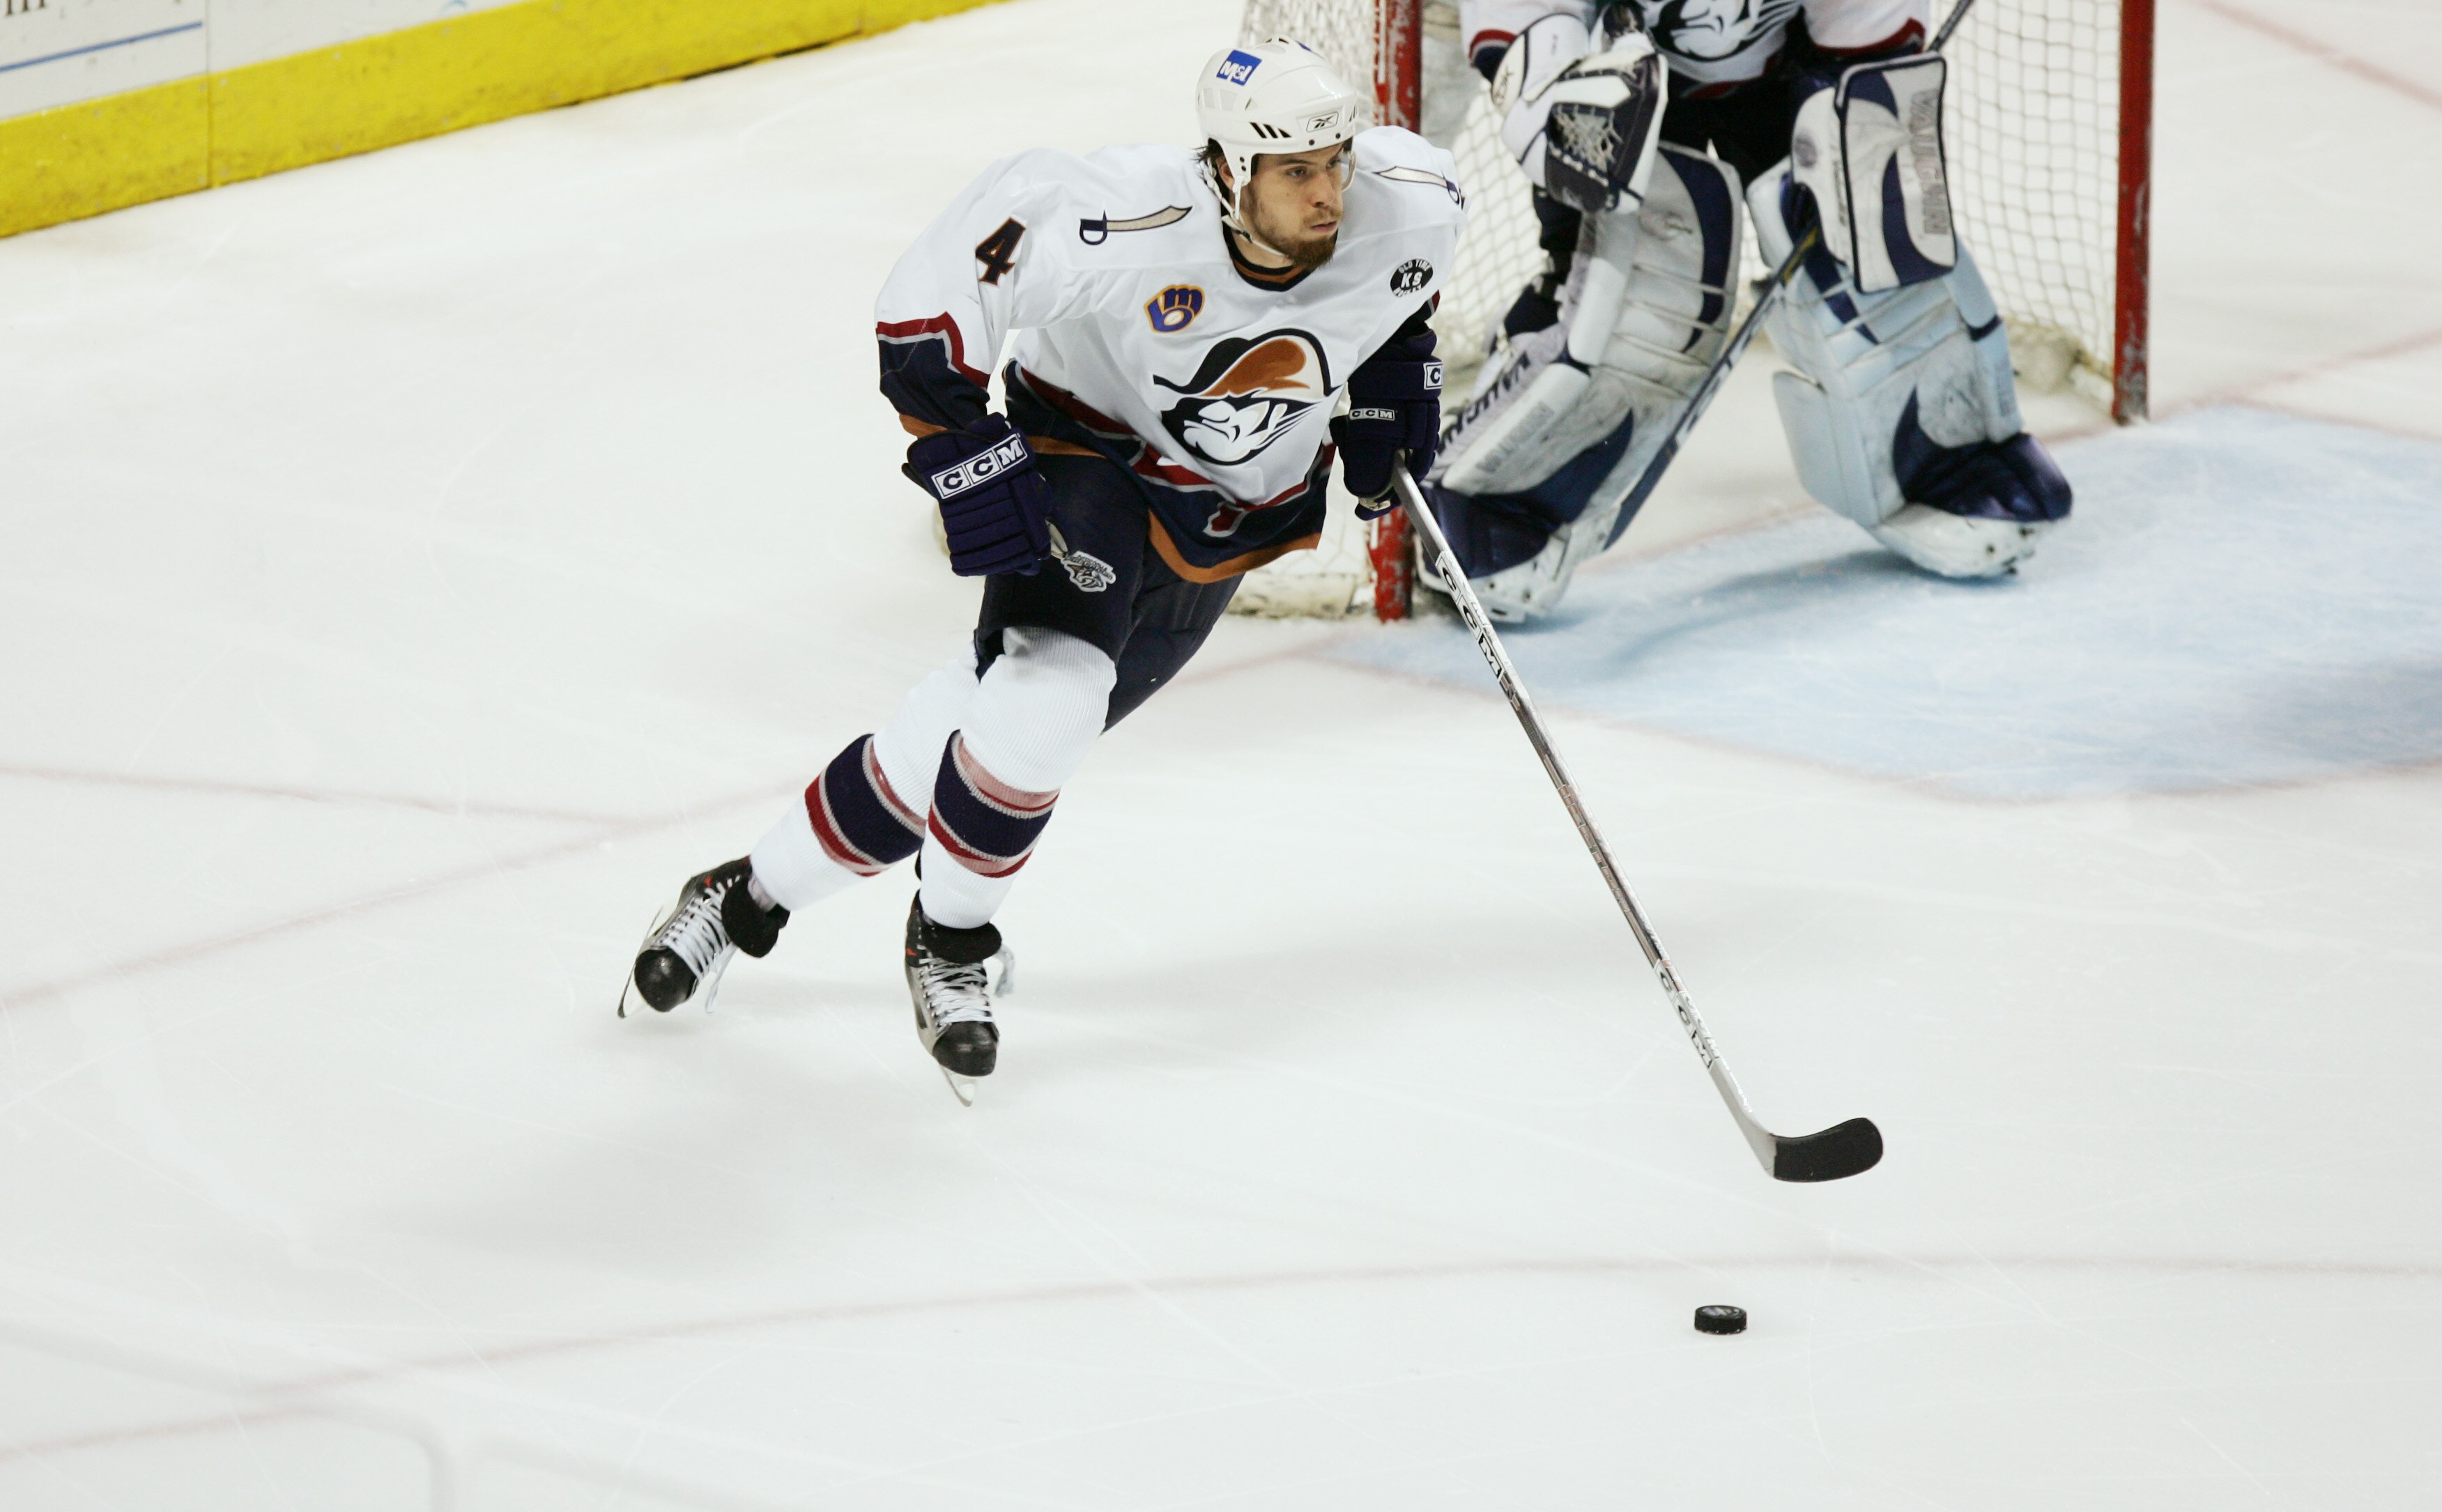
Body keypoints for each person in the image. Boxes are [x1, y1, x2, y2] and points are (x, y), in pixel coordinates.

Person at [620, 39, 1464, 1100]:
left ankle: (743, 898)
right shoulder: (1122, 217)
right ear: (1228, 169)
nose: (1330, 192)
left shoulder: (1414, 203)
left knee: (992, 737)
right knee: (1046, 695)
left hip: (1229, 518)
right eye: (1297, 171)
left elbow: (1399, 302)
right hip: (1090, 455)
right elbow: (927, 312)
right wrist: (962, 446)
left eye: (1336, 161)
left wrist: (1395, 385)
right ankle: (953, 942)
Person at [1427, 0, 2073, 620]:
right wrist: (1565, 107)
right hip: (1623, 84)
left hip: (1785, 75)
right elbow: (1534, 60)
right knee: (1642, 305)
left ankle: (1944, 462)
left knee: (1874, 243)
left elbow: (1870, 60)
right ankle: (1493, 497)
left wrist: (1856, 141)